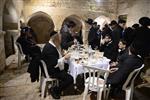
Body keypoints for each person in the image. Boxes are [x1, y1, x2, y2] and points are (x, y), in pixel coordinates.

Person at [41, 31, 73, 99]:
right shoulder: (49, 49)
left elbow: (55, 57)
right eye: (59, 40)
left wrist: (62, 56)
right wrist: (64, 57)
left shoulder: (51, 45)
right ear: (55, 39)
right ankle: (55, 90)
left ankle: (62, 81)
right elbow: (55, 64)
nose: (60, 42)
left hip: (51, 66)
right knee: (70, 79)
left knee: (68, 65)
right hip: (52, 71)